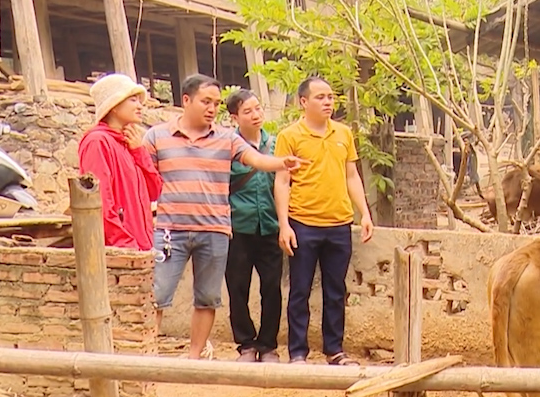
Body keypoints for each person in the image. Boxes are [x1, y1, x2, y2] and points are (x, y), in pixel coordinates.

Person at [146, 74, 306, 360]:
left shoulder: (226, 138)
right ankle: (145, 357)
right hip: (170, 230)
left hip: (215, 229)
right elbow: (143, 173)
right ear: (186, 100)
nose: (211, 108)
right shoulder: (157, 136)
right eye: (205, 101)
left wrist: (282, 162)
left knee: (208, 298)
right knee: (157, 295)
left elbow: (256, 159)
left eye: (216, 103)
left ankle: (194, 358)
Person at [274, 76, 374, 366]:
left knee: (336, 290)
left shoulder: (343, 134)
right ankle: (297, 352)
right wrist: (284, 224)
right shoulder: (290, 136)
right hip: (303, 222)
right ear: (303, 102)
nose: (328, 102)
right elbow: (282, 182)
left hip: (339, 223)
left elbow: (351, 175)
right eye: (320, 97)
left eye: (330, 96)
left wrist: (364, 213)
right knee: (300, 290)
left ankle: (335, 350)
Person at [224, 89, 284, 363]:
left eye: (258, 109)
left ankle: (268, 344)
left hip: (270, 227)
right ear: (235, 117)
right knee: (238, 287)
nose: (256, 115)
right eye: (248, 111)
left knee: (272, 287)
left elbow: (284, 186)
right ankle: (246, 344)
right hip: (238, 227)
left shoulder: (275, 144)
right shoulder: (227, 146)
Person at [77, 73, 162, 250]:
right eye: (133, 100)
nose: (140, 106)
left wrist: (140, 152)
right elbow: (99, 200)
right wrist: (125, 244)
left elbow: (154, 191)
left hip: (141, 245)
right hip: (120, 250)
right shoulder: (98, 142)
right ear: (114, 106)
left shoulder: (130, 142)